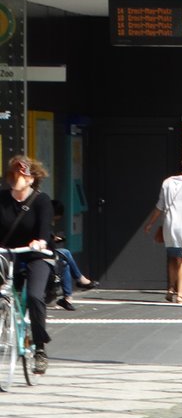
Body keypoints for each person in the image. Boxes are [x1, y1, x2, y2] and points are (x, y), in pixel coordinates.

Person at [0, 156, 55, 374]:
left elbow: (44, 229)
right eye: (12, 175)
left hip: (36, 255)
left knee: (34, 296)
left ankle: (40, 348)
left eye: (21, 175)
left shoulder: (41, 200)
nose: (16, 179)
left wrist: (40, 242)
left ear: (31, 179)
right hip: (8, 253)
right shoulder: (2, 199)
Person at [145, 156, 182, 304]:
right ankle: (181, 294)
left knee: (172, 257)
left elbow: (160, 206)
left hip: (169, 225)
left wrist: (150, 223)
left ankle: (170, 289)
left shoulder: (167, 182)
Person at [50, 198, 98, 311]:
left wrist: (54, 238)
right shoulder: (43, 221)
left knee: (65, 264)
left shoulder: (45, 222)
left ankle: (67, 298)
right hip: (41, 253)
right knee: (66, 252)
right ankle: (81, 280)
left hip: (47, 251)